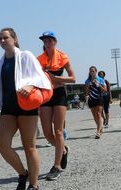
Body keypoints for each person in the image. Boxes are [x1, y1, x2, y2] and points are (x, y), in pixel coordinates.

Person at [0, 28, 51, 190]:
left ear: (15, 39)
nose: (2, 41)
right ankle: (22, 173)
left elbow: (41, 77)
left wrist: (30, 85)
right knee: (2, 145)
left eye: (6, 37)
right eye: (0, 38)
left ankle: (34, 184)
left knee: (29, 147)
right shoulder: (0, 63)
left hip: (26, 107)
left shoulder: (26, 56)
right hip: (9, 108)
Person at [37, 31, 76, 181]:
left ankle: (57, 166)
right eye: (44, 41)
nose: (47, 43)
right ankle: (63, 150)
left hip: (59, 94)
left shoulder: (62, 57)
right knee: (47, 133)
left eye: (49, 40)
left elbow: (73, 78)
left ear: (55, 42)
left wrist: (56, 78)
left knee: (58, 131)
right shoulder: (38, 59)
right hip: (46, 95)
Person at [84, 66, 107, 138]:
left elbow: (105, 90)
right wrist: (88, 86)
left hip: (99, 99)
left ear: (96, 72)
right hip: (91, 99)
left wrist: (99, 84)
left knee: (98, 114)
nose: (92, 72)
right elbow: (86, 93)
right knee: (95, 116)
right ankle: (100, 128)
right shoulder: (87, 81)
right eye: (90, 71)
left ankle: (98, 131)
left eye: (93, 71)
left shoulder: (100, 79)